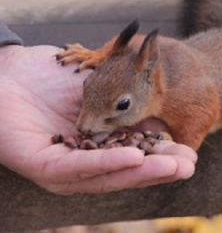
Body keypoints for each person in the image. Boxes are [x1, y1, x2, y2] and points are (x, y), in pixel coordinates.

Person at [0, 22, 197, 195]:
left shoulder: (179, 94)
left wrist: (181, 142)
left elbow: (202, 113)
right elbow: (130, 42)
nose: (83, 127)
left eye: (122, 105)